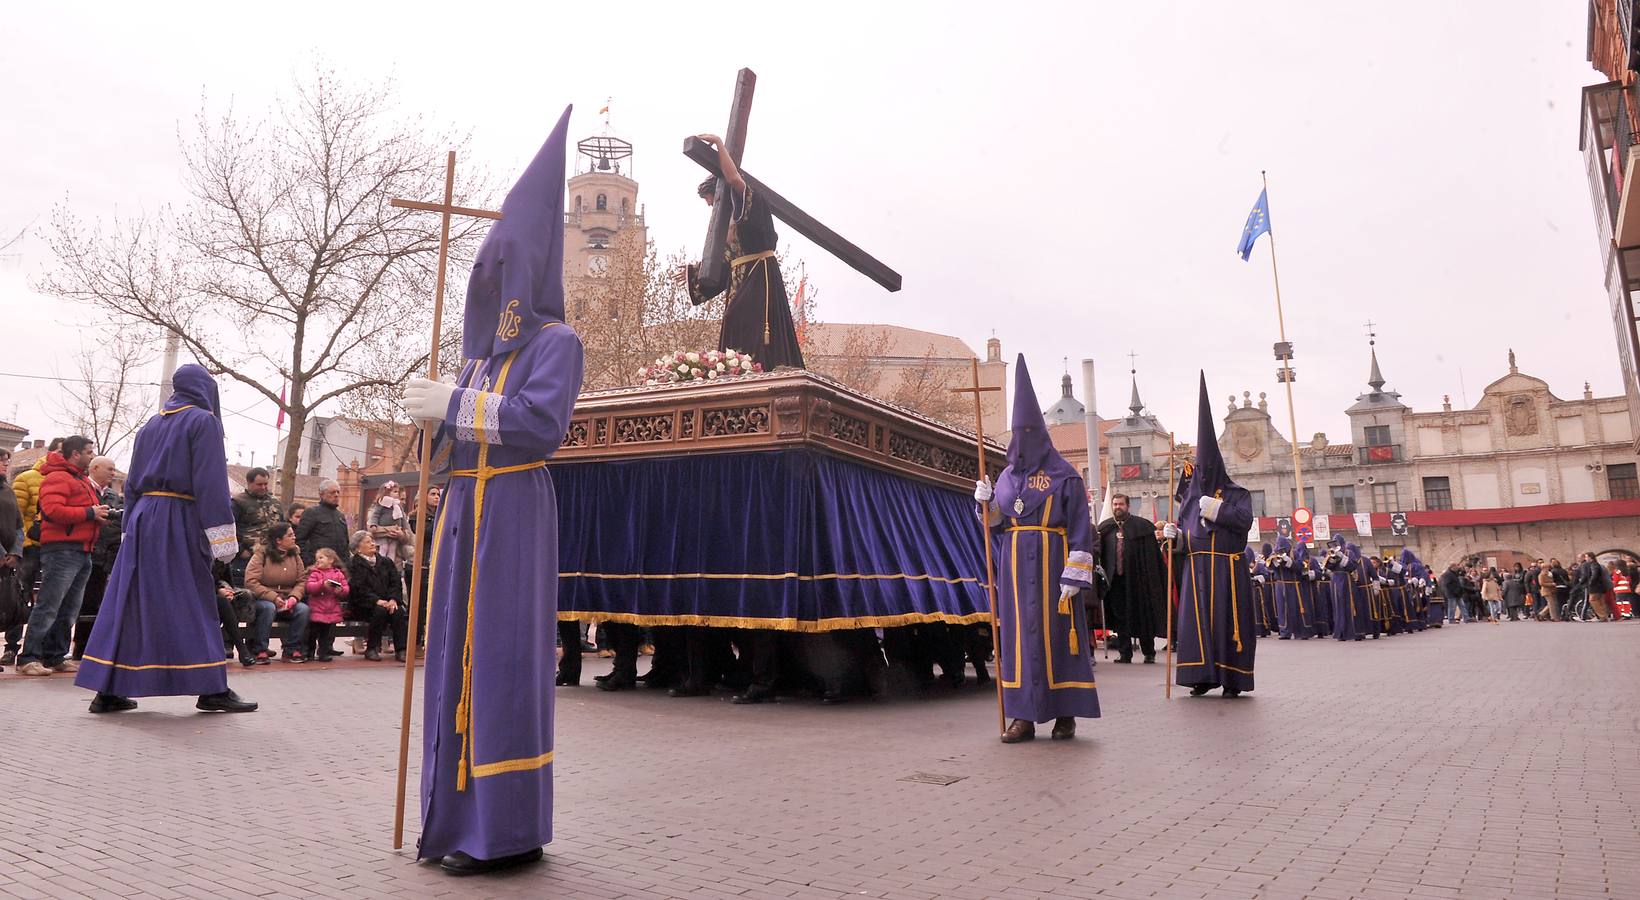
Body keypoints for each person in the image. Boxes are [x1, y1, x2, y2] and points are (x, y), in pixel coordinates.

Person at [401, 108, 584, 875]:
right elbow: (452, 441)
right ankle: (450, 819)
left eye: (501, 269)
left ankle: (503, 826)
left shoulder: (557, 344)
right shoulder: (475, 361)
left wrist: (454, 406)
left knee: (501, 654)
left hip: (512, 508)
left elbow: (540, 424)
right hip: (463, 511)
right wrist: (429, 426)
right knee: (451, 653)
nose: (489, 283)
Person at [73, 366, 256, 713]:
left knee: (131, 600)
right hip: (180, 519)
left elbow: (132, 485)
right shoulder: (203, 422)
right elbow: (210, 481)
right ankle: (211, 687)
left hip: (143, 519)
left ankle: (108, 689)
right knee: (194, 598)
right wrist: (222, 535)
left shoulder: (150, 425)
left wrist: (130, 524)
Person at [972, 355, 1098, 742]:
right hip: (1014, 569)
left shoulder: (1065, 476)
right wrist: (985, 504)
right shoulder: (1006, 478)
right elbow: (997, 526)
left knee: (1058, 636)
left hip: (1052, 564)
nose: (1023, 437)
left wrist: (1075, 574)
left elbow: (1080, 527)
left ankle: (1065, 714)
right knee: (1018, 639)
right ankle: (1023, 715)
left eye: (1030, 430)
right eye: (1018, 431)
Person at [675, 133, 805, 371]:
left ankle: (757, 368)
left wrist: (719, 144)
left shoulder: (750, 208)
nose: (711, 208)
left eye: (712, 201)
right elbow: (723, 267)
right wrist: (693, 273)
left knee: (744, 319)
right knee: (732, 320)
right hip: (738, 281)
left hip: (758, 276)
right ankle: (736, 369)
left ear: (722, 195)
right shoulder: (726, 230)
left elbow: (734, 178)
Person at [1164, 374, 1256, 698]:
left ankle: (1233, 678)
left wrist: (1216, 508)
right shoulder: (1189, 499)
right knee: (1196, 625)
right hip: (1195, 571)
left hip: (1226, 570)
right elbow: (1182, 539)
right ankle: (1200, 676)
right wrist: (1172, 537)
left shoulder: (1237, 493)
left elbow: (1246, 521)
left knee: (1226, 623)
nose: (1200, 475)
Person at [15, 436, 106, 677]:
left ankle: (55, 654)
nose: (91, 455)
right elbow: (53, 511)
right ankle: (29, 656)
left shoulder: (80, 479)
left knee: (69, 608)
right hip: (62, 549)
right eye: (88, 451)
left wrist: (96, 514)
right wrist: (90, 512)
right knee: (49, 604)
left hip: (82, 549)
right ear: (75, 454)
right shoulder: (57, 477)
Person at [6, 438, 60, 667]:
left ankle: (39, 649)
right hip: (29, 548)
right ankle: (11, 647)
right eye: (58, 451)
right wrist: (20, 545)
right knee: (18, 596)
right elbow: (15, 517)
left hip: (54, 549)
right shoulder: (27, 478)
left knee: (49, 600)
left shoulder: (62, 480)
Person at [1096, 492, 1164, 664]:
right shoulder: (1106, 528)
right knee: (1120, 618)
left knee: (1142, 615)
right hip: (1116, 580)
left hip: (1138, 579)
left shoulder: (1142, 527)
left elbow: (1151, 557)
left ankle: (1148, 652)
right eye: (1115, 504)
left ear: (1128, 506)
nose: (1118, 507)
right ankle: (1125, 653)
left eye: (1121, 504)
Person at [72, 455, 123, 660]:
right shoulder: (83, 488)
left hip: (103, 557)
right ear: (95, 468)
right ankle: (55, 648)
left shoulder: (113, 496)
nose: (113, 473)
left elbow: (116, 525)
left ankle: (83, 648)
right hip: (81, 550)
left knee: (93, 603)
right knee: (72, 602)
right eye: (109, 469)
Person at [245, 522, 312, 662]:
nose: (294, 537)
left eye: (293, 534)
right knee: (268, 608)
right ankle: (260, 650)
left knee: (303, 610)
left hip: (288, 599)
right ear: (278, 540)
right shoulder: (261, 554)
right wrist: (274, 598)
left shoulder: (295, 555)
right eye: (290, 535)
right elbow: (251, 582)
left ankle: (291, 649)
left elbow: (301, 581)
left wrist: (294, 597)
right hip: (264, 599)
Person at [347, 530, 407, 662]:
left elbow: (395, 583)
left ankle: (401, 650)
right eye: (368, 542)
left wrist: (393, 599)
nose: (373, 544)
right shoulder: (354, 564)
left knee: (397, 611)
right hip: (363, 604)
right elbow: (358, 588)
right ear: (358, 548)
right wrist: (377, 601)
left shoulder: (386, 562)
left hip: (387, 602)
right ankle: (372, 648)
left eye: (372, 541)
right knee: (379, 611)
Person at [230, 467, 285, 581]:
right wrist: (240, 551)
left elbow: (283, 527)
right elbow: (229, 530)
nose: (263, 487)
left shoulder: (275, 502)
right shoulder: (238, 502)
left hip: (273, 557)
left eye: (266, 484)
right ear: (249, 483)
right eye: (259, 484)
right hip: (248, 556)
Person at [303, 548, 349, 661]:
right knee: (312, 632)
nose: (318, 560)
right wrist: (322, 585)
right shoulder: (314, 573)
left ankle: (323, 653)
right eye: (317, 558)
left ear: (331, 560)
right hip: (316, 607)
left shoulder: (338, 574)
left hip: (331, 608)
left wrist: (341, 590)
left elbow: (346, 588)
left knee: (325, 633)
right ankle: (310, 652)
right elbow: (310, 587)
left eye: (321, 557)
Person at [0, 448, 22, 672]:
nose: (6, 464)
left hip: (6, 562)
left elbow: (18, 524)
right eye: (2, 461)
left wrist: (14, 552)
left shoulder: (8, 490)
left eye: (7, 461)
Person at [293, 479, 348, 566]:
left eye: (338, 492)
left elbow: (345, 543)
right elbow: (300, 540)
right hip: (319, 566)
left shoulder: (340, 516)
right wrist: (309, 561)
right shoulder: (312, 513)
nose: (336, 495)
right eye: (332, 492)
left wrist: (346, 564)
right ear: (321, 494)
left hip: (338, 567)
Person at [1324, 535, 1360, 641]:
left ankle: (1350, 631)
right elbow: (1327, 567)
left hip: (1346, 579)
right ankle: (1340, 632)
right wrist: (1333, 560)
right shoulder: (1331, 553)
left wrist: (1342, 557)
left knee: (1348, 605)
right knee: (1337, 606)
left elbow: (1353, 566)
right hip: (1335, 580)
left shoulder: (1349, 553)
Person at [367, 480, 411, 563]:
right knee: (384, 548)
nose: (397, 494)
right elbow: (373, 524)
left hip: (395, 541)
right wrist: (386, 529)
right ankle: (381, 563)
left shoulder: (398, 507)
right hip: (383, 537)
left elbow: (404, 523)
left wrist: (402, 532)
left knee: (392, 549)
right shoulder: (380, 505)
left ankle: (390, 564)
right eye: (395, 492)